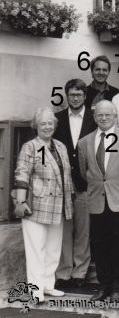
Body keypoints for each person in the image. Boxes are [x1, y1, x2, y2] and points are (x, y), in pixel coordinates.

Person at [78, 100, 119, 302]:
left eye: (108, 114)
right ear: (95, 117)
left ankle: (118, 287)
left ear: (116, 116)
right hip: (97, 200)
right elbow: (84, 172)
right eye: (100, 115)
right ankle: (104, 285)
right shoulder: (85, 142)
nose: (104, 118)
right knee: (100, 244)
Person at [13, 107, 74, 303]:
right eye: (43, 123)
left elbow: (67, 176)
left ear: (55, 126)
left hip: (58, 205)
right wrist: (21, 202)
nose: (47, 127)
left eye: (50, 123)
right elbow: (22, 174)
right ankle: (35, 290)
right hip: (36, 205)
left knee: (53, 248)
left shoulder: (60, 146)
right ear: (36, 126)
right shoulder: (31, 147)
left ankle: (48, 285)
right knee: (36, 250)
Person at [54, 79, 97, 289]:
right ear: (67, 96)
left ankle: (80, 271)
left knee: (83, 230)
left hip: (85, 183)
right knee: (64, 230)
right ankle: (64, 272)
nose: (75, 98)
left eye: (79, 94)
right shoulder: (57, 119)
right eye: (72, 94)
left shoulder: (93, 118)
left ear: (85, 96)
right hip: (62, 186)